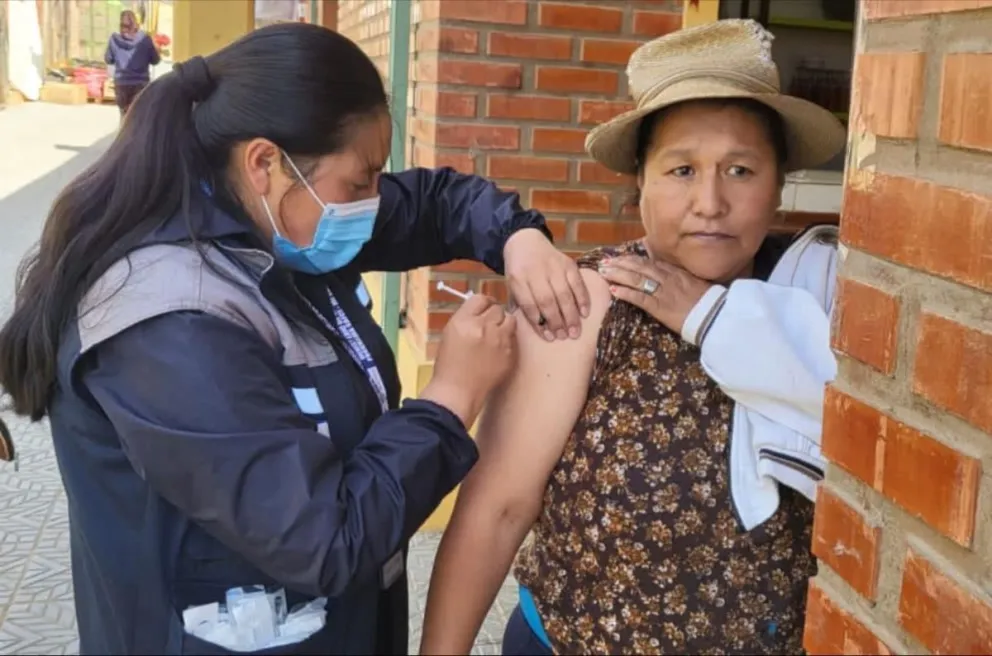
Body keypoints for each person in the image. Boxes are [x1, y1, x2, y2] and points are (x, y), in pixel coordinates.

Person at [0, 23, 591, 656]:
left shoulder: (272, 223)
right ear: (264, 163)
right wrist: (449, 398)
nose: (372, 201)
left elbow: (431, 203)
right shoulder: (168, 325)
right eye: (361, 180)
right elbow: (322, 540)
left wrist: (515, 236)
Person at [420, 19, 846, 656]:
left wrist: (708, 313)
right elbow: (499, 507)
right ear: (638, 183)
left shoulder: (817, 295)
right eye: (680, 170)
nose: (709, 201)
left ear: (778, 185)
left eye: (739, 169)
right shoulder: (587, 302)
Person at [104, 9, 161, 117]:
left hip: (122, 84)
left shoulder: (114, 39)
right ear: (135, 23)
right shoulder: (145, 39)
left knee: (125, 117)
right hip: (141, 84)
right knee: (140, 118)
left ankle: (124, 133)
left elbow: (108, 59)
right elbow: (155, 60)